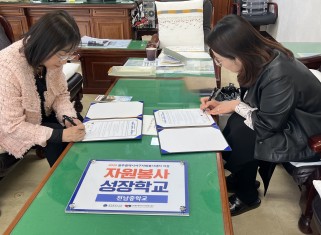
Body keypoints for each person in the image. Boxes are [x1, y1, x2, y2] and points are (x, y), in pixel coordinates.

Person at [200, 14, 321, 216]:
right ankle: (241, 178)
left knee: (245, 135)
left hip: (306, 130)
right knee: (237, 123)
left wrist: (236, 105)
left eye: (220, 60)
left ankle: (247, 195)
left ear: (238, 55)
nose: (219, 64)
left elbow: (267, 125)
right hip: (287, 116)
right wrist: (228, 105)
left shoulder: (279, 74)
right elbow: (257, 101)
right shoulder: (261, 57)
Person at [0, 10, 86, 168]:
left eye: (68, 55)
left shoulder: (50, 59)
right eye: (61, 55)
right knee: (56, 135)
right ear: (44, 45)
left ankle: (78, 170)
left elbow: (60, 95)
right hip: (13, 127)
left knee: (77, 122)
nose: (63, 61)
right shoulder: (7, 66)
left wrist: (68, 117)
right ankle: (63, 182)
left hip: (41, 114)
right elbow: (11, 127)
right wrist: (59, 134)